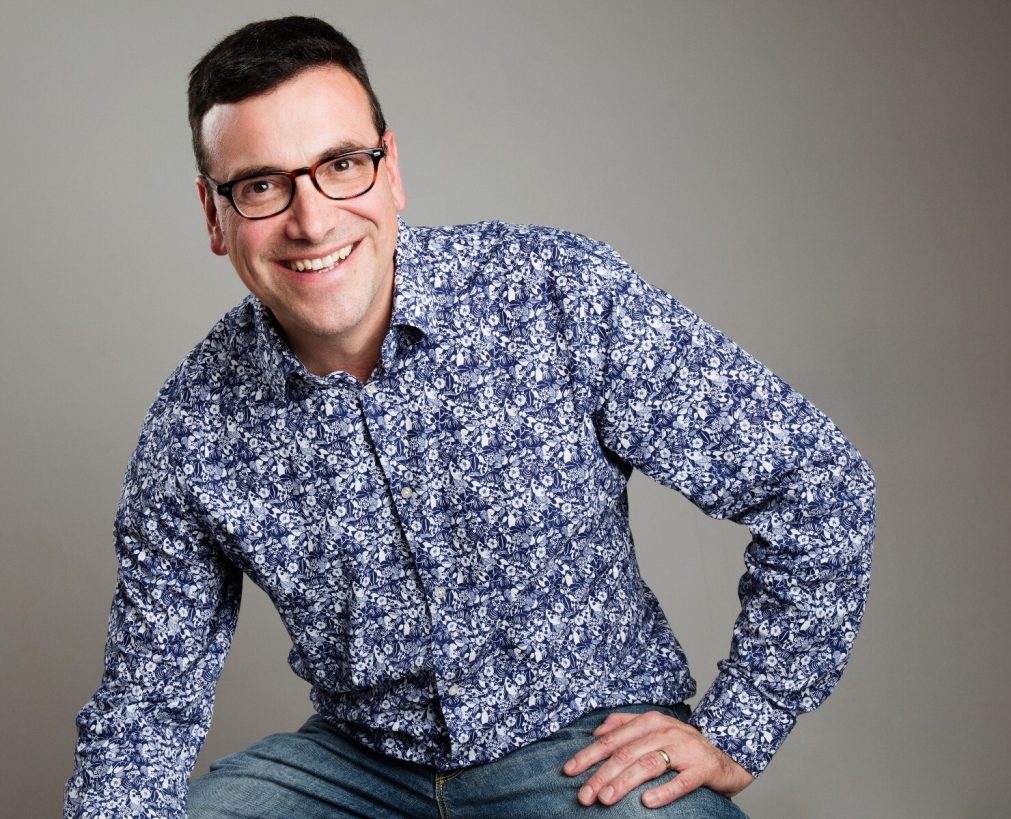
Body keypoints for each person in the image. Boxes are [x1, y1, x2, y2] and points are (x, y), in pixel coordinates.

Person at [64, 16, 874, 819]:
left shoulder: (553, 291)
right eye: (263, 185)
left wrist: (744, 722)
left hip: (581, 747)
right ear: (215, 216)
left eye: (341, 164)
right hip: (354, 767)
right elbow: (146, 703)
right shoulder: (191, 427)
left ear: (390, 171)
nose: (311, 221)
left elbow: (817, 483)